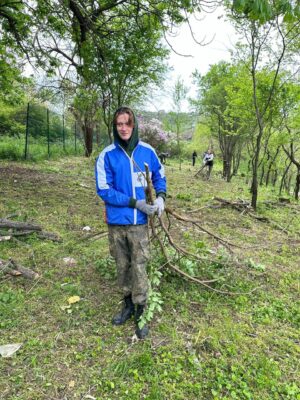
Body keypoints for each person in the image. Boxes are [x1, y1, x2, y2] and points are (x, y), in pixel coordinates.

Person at [95, 106, 167, 339]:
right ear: (115, 127)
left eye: (127, 123)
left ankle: (141, 310)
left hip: (139, 224)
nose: (123, 128)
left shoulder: (147, 152)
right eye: (119, 124)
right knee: (122, 264)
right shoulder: (106, 155)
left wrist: (161, 196)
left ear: (133, 125)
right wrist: (135, 203)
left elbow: (159, 175)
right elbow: (104, 190)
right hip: (117, 222)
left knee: (139, 265)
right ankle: (127, 304)